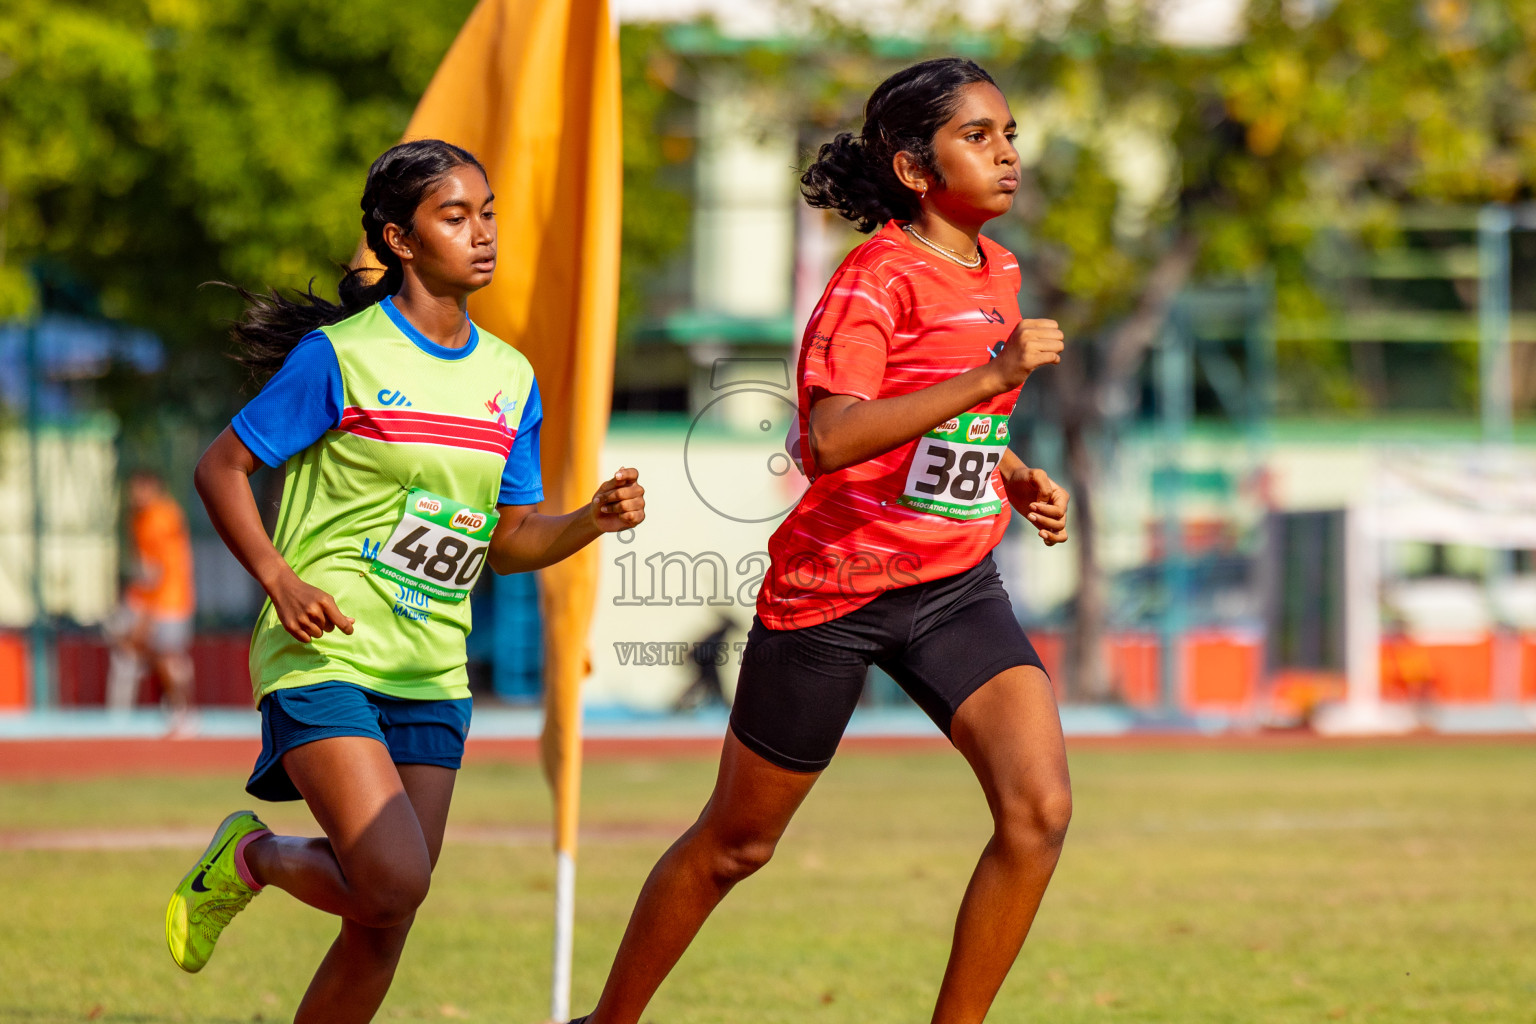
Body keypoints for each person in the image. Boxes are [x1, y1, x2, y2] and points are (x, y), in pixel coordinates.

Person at [571, 58, 1071, 1024]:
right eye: (979, 136)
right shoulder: (873, 280)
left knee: (1038, 812)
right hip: (834, 593)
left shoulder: (999, 268)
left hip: (956, 586)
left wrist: (1009, 473)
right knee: (737, 846)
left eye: (1009, 133)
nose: (1007, 153)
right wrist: (989, 378)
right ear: (915, 169)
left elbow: (950, 427)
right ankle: (608, 1021)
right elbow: (834, 437)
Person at [164, 139, 645, 1024]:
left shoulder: (511, 377)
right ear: (401, 239)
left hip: (432, 671)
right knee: (392, 878)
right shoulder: (340, 358)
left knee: (385, 918)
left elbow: (506, 542)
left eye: (488, 212)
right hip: (328, 655)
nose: (483, 233)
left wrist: (587, 522)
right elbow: (219, 469)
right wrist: (277, 577)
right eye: (455, 217)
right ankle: (252, 858)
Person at [105, 469, 196, 733]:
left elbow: (161, 571)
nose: (135, 494)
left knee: (167, 657)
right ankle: (176, 709)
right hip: (155, 600)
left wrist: (146, 615)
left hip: (169, 601)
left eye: (140, 488)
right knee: (152, 654)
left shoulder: (161, 517)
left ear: (153, 487)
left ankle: (183, 713)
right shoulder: (141, 518)